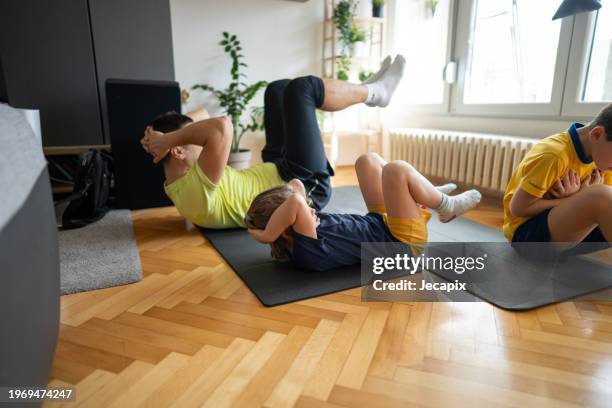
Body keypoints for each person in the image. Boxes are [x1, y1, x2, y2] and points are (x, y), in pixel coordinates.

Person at [140, 55, 407, 229]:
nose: (197, 138)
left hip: (277, 168)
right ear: (177, 150)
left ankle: (366, 89)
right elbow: (220, 126)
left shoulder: (180, 178)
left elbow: (201, 119)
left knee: (277, 89)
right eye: (187, 140)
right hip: (302, 185)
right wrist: (169, 139)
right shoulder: (195, 188)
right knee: (302, 88)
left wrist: (161, 140)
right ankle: (375, 93)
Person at [244, 152, 482, 271]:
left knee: (366, 161)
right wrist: (266, 235)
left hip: (381, 224)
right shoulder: (307, 247)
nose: (310, 208)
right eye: (303, 209)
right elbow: (296, 199)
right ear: (284, 230)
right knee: (396, 170)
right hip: (402, 244)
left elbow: (295, 187)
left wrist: (260, 224)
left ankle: (422, 192)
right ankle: (445, 206)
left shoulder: (301, 229)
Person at [504, 103, 612, 253]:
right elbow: (518, 208)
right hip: (528, 236)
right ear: (597, 135)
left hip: (570, 236)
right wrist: (572, 199)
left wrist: (577, 199)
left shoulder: (603, 159)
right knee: (601, 195)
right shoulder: (554, 155)